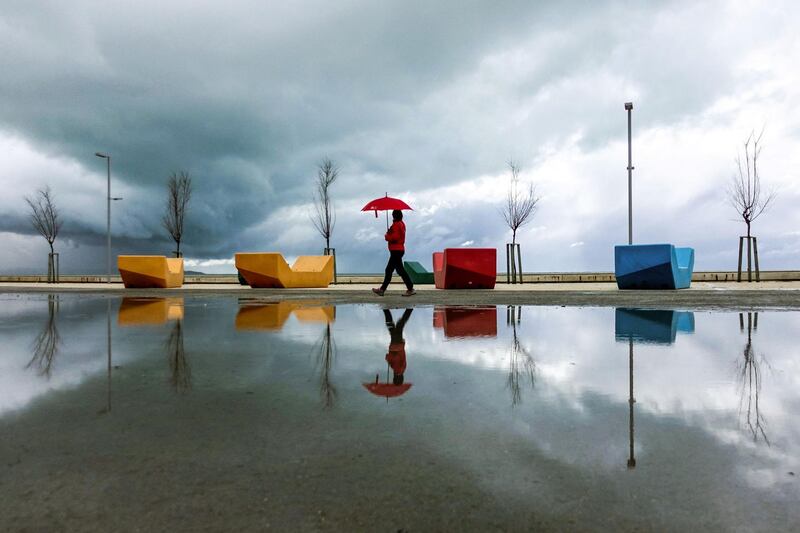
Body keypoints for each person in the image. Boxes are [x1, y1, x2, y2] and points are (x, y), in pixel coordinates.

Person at [373, 209, 415, 296]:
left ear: (394, 216)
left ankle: (410, 288)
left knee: (390, 270)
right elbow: (397, 235)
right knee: (398, 270)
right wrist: (390, 232)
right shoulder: (401, 224)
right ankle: (409, 288)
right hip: (399, 250)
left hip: (396, 251)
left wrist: (387, 236)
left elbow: (394, 237)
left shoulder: (396, 224)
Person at [383, 308, 413, 385]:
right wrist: (388, 359)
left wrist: (389, 361)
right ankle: (386, 310)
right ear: (395, 378)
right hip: (395, 346)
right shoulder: (397, 370)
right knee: (395, 326)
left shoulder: (402, 369)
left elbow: (399, 359)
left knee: (397, 326)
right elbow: (395, 357)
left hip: (399, 346)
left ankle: (409, 310)